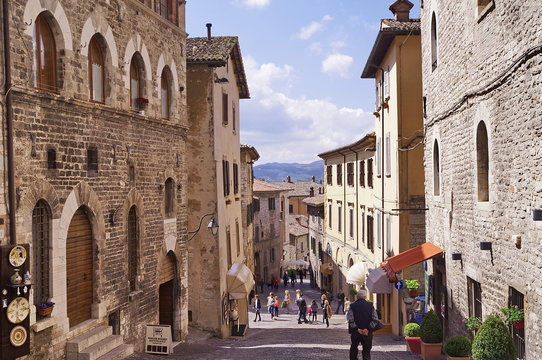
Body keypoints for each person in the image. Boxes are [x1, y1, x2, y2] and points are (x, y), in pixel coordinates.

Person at [347, 289, 378, 360]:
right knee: (366, 351)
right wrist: (367, 329)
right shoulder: (370, 305)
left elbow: (351, 320)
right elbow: (375, 319)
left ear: (357, 297)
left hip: (355, 332)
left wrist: (357, 329)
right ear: (365, 297)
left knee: (354, 348)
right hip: (367, 333)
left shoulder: (352, 306)